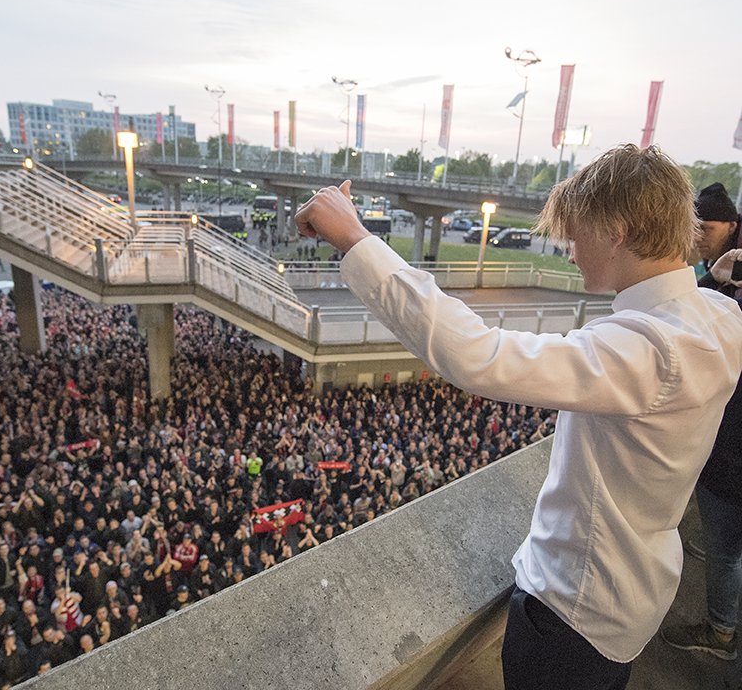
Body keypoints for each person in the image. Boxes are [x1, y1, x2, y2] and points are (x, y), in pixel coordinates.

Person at [293, 144, 742, 690]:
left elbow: (477, 356)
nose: (569, 252)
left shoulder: (647, 349)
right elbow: (694, 296)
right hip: (635, 598)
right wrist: (708, 273)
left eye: (575, 235)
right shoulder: (719, 312)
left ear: (617, 231)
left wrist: (357, 241)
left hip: (573, 617)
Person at [660, 183, 742, 661]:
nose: (697, 239)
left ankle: (721, 631)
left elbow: (704, 331)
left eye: (705, 229)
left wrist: (711, 282)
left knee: (726, 549)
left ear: (730, 224)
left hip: (732, 450)